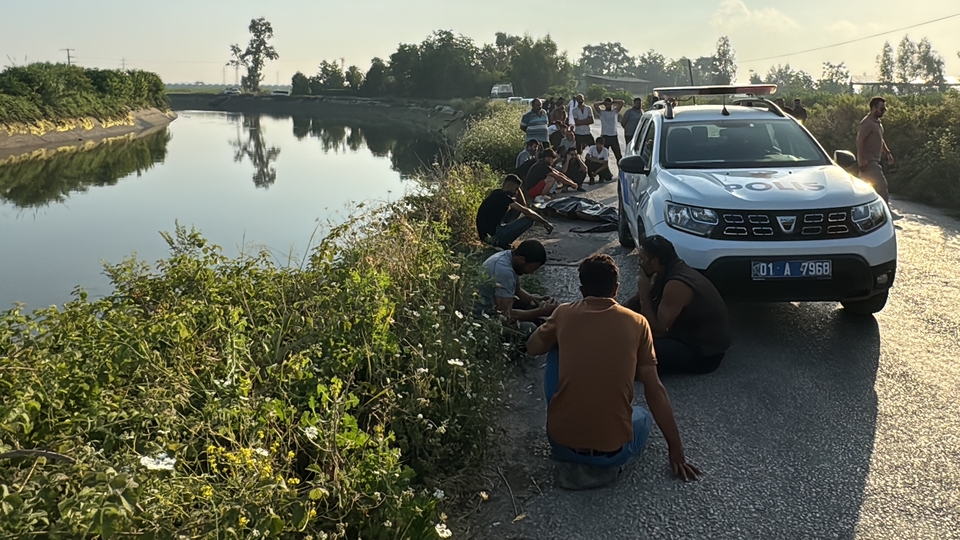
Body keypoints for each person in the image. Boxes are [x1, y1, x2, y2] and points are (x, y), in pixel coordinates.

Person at [527, 254, 701, 489]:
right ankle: (607, 466)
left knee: (554, 345)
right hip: (613, 451)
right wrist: (676, 448)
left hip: (560, 443)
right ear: (616, 288)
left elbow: (533, 347)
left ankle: (569, 425)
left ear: (581, 288)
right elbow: (654, 388)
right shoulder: (638, 323)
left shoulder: (564, 314)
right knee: (642, 415)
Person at [622, 235, 731, 374]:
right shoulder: (663, 271)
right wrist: (613, 314)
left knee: (630, 349)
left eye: (642, 258)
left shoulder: (677, 284)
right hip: (681, 336)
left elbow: (659, 329)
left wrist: (644, 294)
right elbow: (635, 304)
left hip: (703, 353)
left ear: (655, 262)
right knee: (624, 339)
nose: (639, 263)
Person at [481, 239, 558, 324]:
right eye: (531, 268)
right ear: (522, 260)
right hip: (483, 316)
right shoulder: (504, 272)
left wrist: (537, 300)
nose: (532, 272)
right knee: (530, 327)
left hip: (496, 303)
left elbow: (517, 291)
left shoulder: (509, 258)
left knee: (529, 307)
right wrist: (541, 312)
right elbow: (505, 315)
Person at [476, 174, 554, 249]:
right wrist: (545, 223)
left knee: (517, 210)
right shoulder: (503, 197)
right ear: (510, 185)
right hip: (494, 236)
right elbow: (527, 211)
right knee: (530, 219)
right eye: (516, 189)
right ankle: (501, 243)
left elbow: (523, 205)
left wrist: (517, 188)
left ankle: (502, 240)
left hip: (489, 233)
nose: (516, 192)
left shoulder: (497, 193)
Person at [856, 96, 894, 205]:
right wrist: (862, 160)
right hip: (869, 162)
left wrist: (888, 153)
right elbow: (860, 141)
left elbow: (880, 140)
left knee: (865, 189)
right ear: (873, 108)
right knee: (882, 187)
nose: (884, 111)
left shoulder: (877, 122)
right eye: (882, 109)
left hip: (874, 161)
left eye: (885, 109)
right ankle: (885, 212)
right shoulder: (867, 123)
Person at [594, 97, 625, 162]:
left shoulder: (615, 111)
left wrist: (612, 101)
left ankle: (620, 170)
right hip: (605, 136)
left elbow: (622, 102)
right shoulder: (602, 112)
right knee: (603, 156)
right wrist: (603, 102)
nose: (608, 105)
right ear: (604, 105)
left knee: (618, 156)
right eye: (607, 104)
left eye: (609, 104)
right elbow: (595, 105)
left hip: (613, 136)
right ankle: (604, 170)